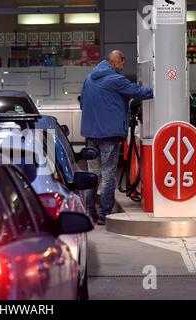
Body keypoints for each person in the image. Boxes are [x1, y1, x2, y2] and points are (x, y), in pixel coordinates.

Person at [80, 50, 153, 225]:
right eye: (121, 64)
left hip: (91, 134)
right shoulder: (116, 79)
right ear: (115, 63)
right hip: (109, 134)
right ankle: (104, 213)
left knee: (93, 174)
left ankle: (89, 211)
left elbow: (82, 103)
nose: (121, 68)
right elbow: (141, 92)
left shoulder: (89, 79)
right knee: (108, 175)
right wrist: (165, 89)